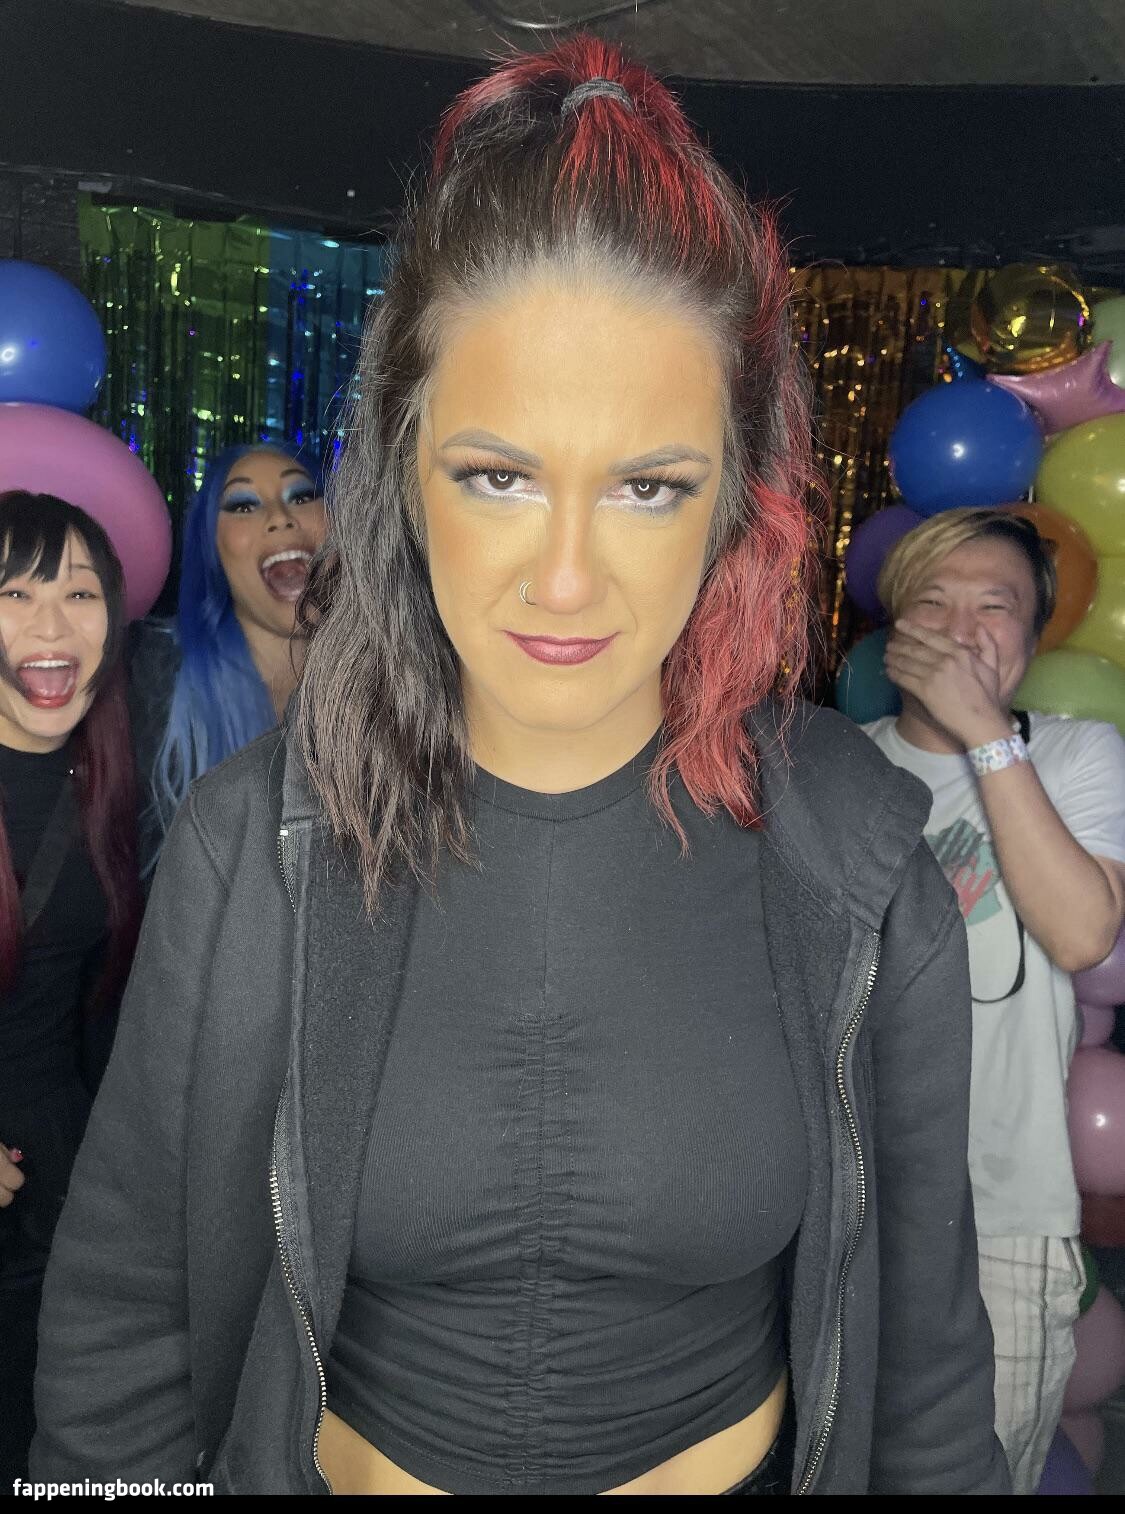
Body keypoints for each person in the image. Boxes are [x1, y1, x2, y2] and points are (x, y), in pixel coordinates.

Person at [31, 38, 1009, 1496]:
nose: (563, 578)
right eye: (497, 475)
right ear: (406, 473)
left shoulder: (855, 859)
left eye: (647, 486)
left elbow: (925, 1375)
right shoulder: (255, 843)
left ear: (734, 503)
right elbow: (125, 1325)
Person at [861, 507, 1125, 1495]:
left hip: (1004, 1216)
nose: (963, 629)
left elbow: (1081, 934)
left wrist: (983, 734)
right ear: (894, 628)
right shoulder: (840, 766)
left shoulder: (1078, 753)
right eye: (933, 602)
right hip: (846, 1208)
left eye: (995, 606)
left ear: (1034, 635)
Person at [0, 490, 141, 1489]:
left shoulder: (104, 784)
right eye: (14, 592)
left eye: (80, 592)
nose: (52, 623)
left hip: (62, 1201)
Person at [127, 444, 327, 863]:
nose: (280, 517)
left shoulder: (395, 683)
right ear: (212, 547)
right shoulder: (148, 670)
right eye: (243, 505)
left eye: (302, 496)